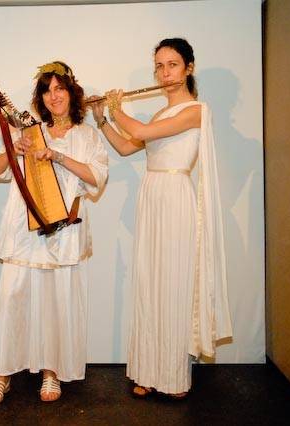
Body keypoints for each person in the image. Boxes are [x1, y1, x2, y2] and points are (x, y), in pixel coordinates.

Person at [89, 38, 232, 398]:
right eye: (159, 66)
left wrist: (117, 106)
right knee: (151, 283)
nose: (164, 73)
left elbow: (138, 132)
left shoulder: (197, 110)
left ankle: (173, 378)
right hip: (152, 196)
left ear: (189, 68)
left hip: (175, 196)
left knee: (173, 283)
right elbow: (126, 146)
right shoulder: (159, 113)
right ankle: (149, 372)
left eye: (172, 65)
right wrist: (103, 118)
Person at [0, 61, 108, 404]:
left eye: (60, 88)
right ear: (41, 98)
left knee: (56, 302)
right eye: (47, 90)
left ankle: (51, 372)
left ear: (71, 92)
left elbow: (97, 178)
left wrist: (58, 156)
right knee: (13, 298)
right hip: (24, 230)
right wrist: (12, 150)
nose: (54, 96)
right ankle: (5, 372)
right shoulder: (30, 132)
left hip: (64, 231)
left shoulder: (86, 135)